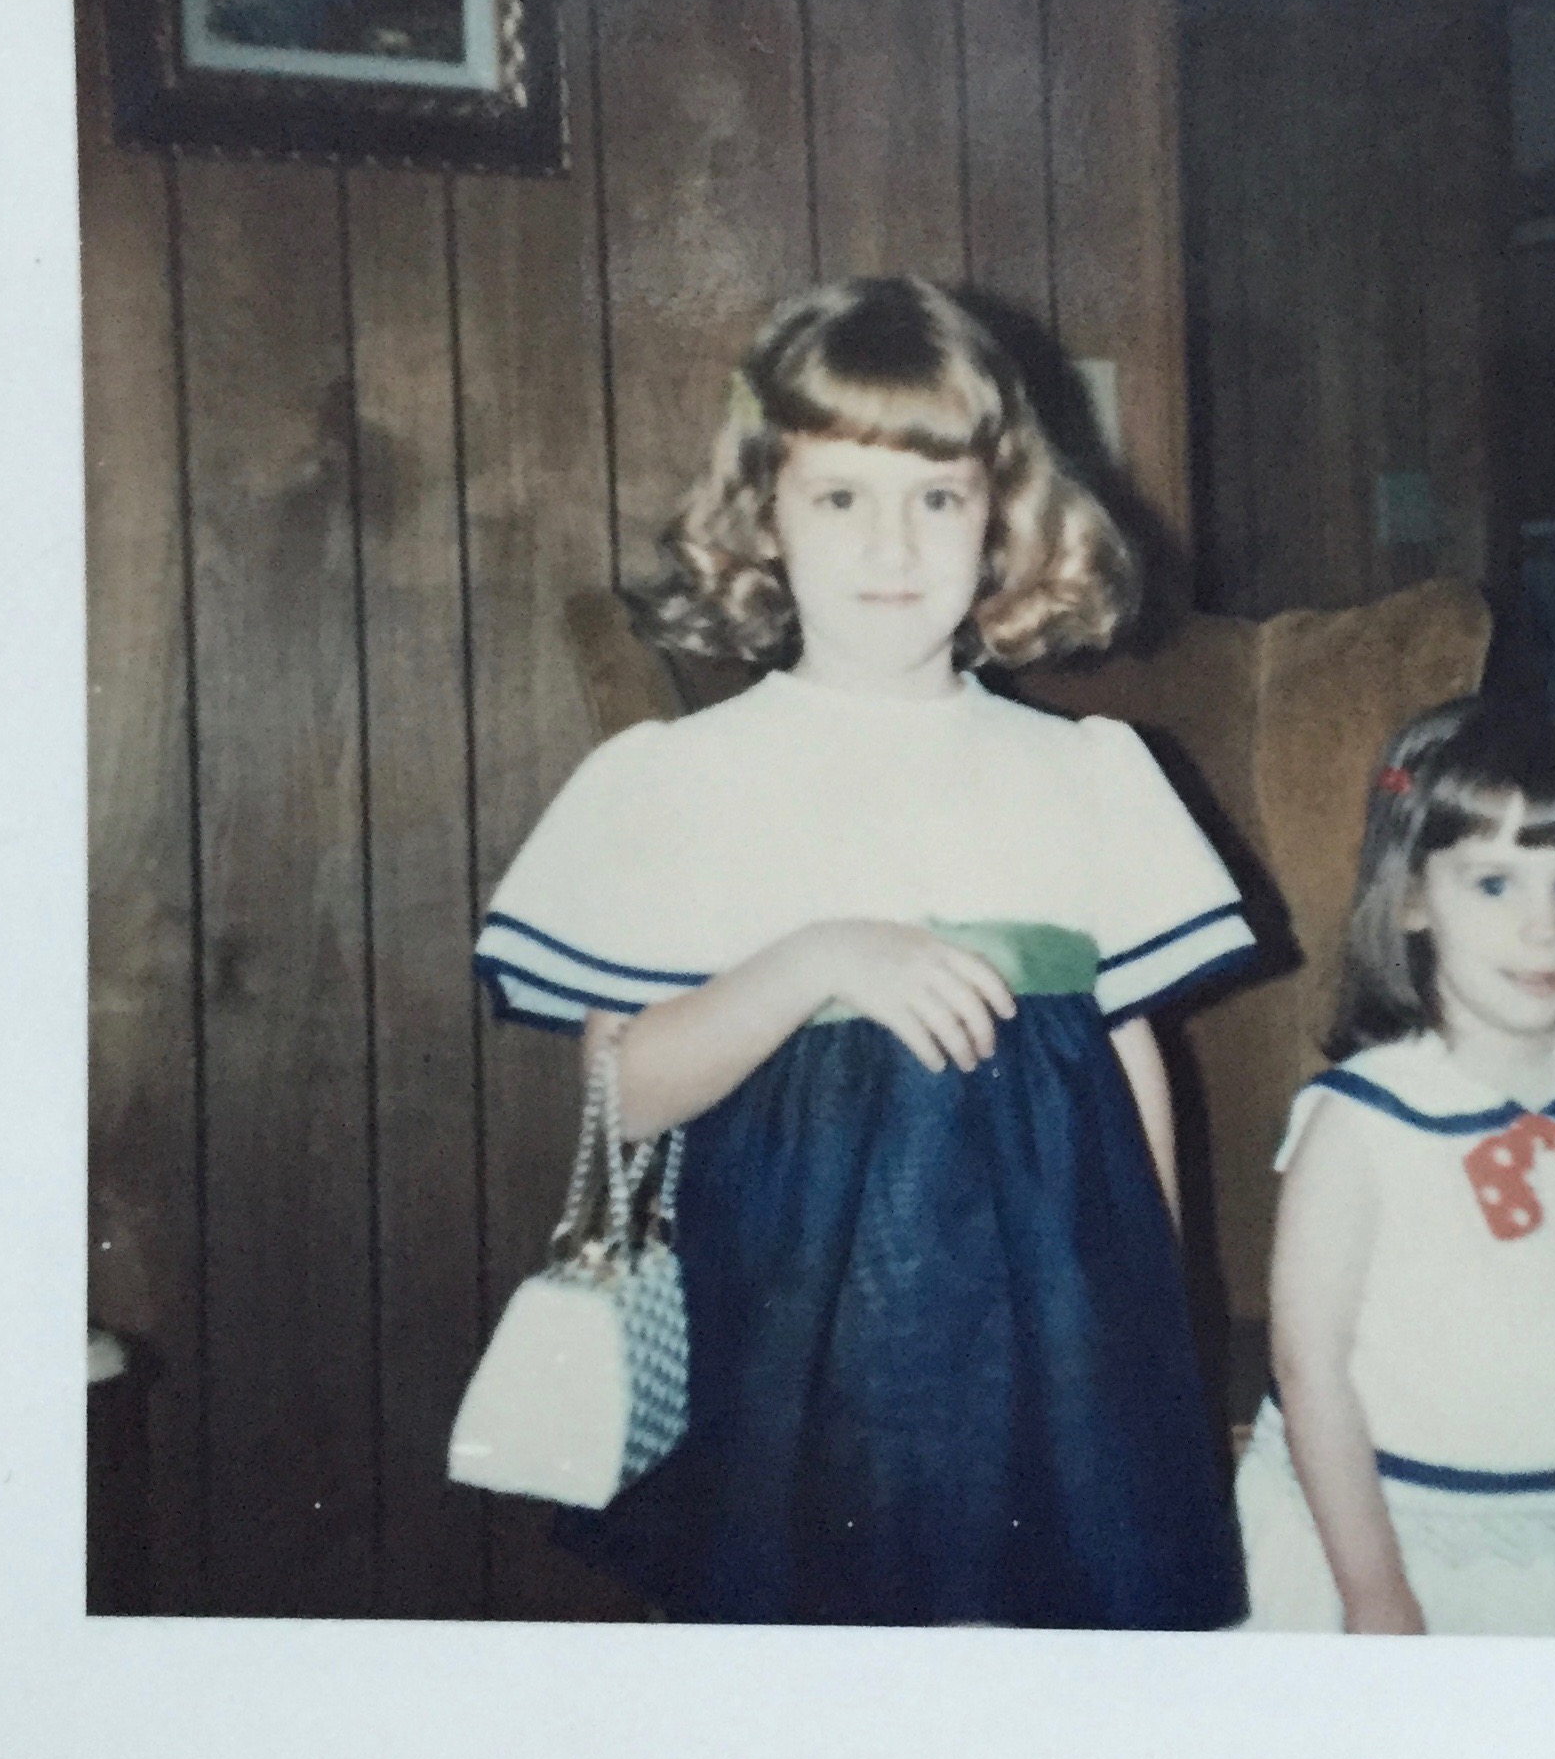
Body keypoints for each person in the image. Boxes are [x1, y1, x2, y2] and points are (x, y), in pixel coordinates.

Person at [472, 276, 1254, 1628]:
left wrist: (1156, 1340)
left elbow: (1132, 1065)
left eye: (937, 495)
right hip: (792, 1365)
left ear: (1002, 517)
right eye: (841, 495)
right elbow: (620, 1093)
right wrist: (816, 958)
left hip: (1051, 1369)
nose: (892, 540)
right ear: (762, 512)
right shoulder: (679, 780)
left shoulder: (1089, 775)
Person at [1233, 697, 1555, 1637]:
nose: (1543, 927)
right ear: (1408, 899)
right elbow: (1307, 1367)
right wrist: (1373, 1593)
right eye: (1493, 885)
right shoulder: (1364, 1120)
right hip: (1391, 1536)